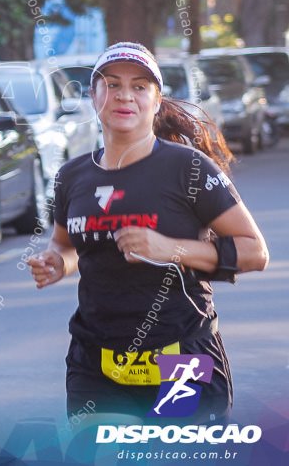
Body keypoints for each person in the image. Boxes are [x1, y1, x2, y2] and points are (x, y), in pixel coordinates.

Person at [27, 42, 268, 423]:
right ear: (93, 97)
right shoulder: (71, 176)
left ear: (156, 101)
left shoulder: (188, 168)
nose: (125, 95)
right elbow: (67, 245)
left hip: (180, 358)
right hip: (96, 361)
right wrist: (56, 263)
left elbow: (254, 251)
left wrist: (169, 248)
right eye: (112, 84)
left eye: (140, 86)